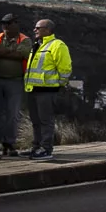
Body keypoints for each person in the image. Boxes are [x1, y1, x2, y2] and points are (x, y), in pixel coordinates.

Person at [22, 17, 74, 158]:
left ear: (48, 30)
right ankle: (36, 146)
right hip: (33, 89)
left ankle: (46, 149)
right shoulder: (37, 45)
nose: (35, 30)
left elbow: (65, 68)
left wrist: (59, 84)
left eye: (38, 28)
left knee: (46, 121)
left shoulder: (57, 45)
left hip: (47, 90)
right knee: (35, 121)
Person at [0, 13, 33, 157]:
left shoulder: (25, 40)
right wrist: (11, 51)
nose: (5, 26)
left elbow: (22, 55)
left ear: (16, 24)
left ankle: (9, 143)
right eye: (3, 24)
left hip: (16, 81)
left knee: (12, 114)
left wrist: (1, 52)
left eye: (8, 23)